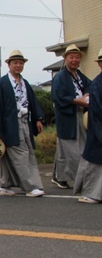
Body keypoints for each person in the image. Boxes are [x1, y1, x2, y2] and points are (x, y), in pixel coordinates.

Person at [0, 50, 45, 197]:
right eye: (15, 63)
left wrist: (38, 118)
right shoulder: (1, 84)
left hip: (25, 121)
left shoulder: (25, 83)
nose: (18, 65)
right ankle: (30, 186)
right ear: (9, 64)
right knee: (21, 154)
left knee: (12, 154)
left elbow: (32, 102)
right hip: (9, 123)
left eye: (21, 63)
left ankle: (5, 185)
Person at [51, 44, 91, 189]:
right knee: (75, 151)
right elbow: (58, 97)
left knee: (63, 151)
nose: (74, 60)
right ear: (66, 59)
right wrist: (76, 101)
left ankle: (59, 177)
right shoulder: (60, 76)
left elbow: (90, 86)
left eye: (77, 57)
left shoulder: (79, 75)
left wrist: (86, 95)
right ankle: (84, 180)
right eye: (71, 57)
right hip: (67, 117)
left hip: (79, 114)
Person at [73, 48, 102, 203]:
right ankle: (92, 194)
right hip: (98, 126)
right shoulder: (97, 84)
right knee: (95, 164)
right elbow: (96, 111)